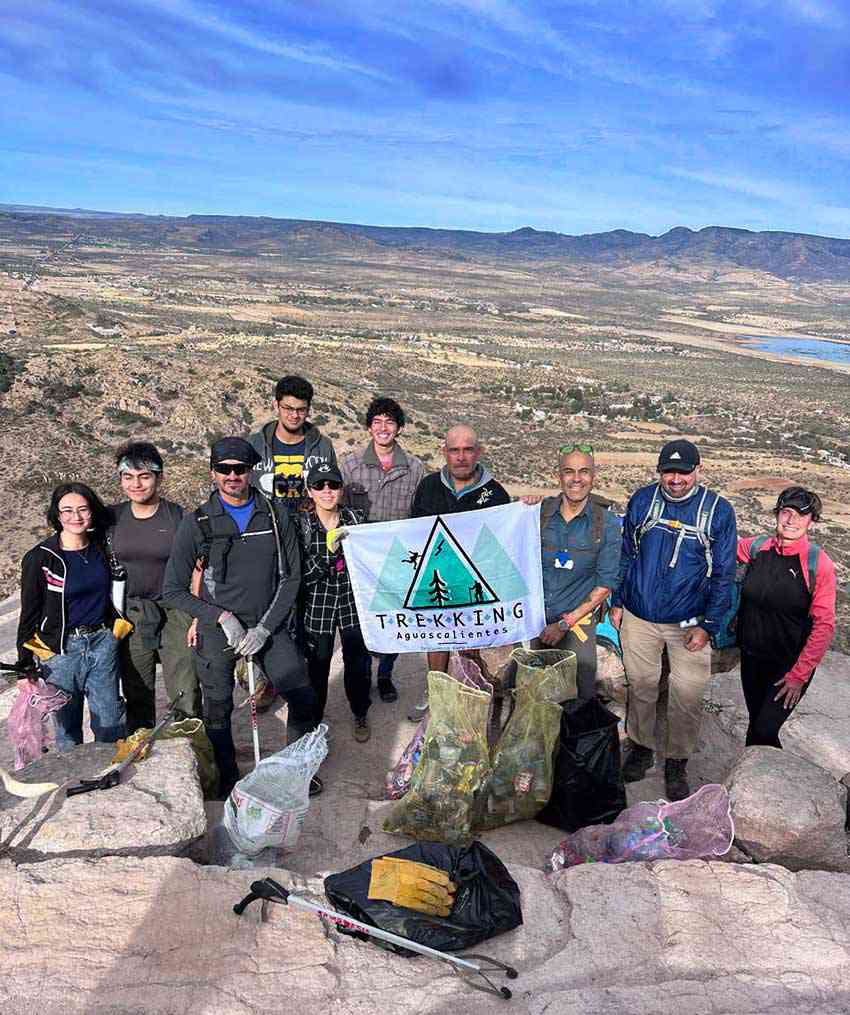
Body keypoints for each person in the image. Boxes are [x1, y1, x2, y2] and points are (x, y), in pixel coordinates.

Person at [162, 437, 318, 798]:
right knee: (217, 708)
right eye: (224, 469)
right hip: (219, 629)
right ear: (212, 472)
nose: (232, 476)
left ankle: (295, 772)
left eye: (240, 469)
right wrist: (220, 617)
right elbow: (172, 589)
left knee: (302, 695)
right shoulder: (196, 523)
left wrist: (264, 628)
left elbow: (291, 577)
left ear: (251, 471)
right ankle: (228, 779)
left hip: (268, 623)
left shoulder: (275, 515)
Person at [610, 439, 736, 801]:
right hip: (640, 614)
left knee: (687, 695)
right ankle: (641, 748)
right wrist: (618, 601)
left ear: (698, 470)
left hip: (689, 622)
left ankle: (677, 762)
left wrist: (709, 625)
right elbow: (626, 554)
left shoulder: (717, 511)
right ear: (659, 471)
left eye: (683, 472)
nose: (676, 479)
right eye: (669, 472)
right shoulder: (643, 501)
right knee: (642, 686)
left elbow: (724, 574)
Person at [16, 483, 126, 749]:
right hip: (61, 652)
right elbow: (29, 614)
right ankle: (73, 774)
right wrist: (24, 667)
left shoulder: (102, 548)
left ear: (92, 512)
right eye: (67, 510)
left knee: (110, 721)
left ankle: (110, 772)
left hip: (102, 643)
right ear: (57, 514)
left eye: (82, 509)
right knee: (67, 728)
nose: (75, 517)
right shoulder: (41, 558)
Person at [409, 424, 510, 714]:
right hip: (436, 577)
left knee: (471, 642)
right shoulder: (428, 486)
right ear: (445, 452)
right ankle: (436, 693)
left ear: (478, 452)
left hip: (474, 581)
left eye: (468, 450)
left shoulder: (495, 493)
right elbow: (414, 530)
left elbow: (503, 539)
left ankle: (469, 692)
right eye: (455, 450)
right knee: (436, 639)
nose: (461, 457)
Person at [108, 442, 201, 733]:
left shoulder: (178, 517)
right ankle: (142, 748)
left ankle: (189, 744)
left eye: (144, 476)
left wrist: (197, 617)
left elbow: (198, 567)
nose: (136, 484)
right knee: (137, 688)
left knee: (185, 685)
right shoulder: (111, 518)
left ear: (159, 478)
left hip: (175, 610)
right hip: (132, 613)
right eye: (128, 477)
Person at [736, 486, 836, 748]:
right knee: (756, 724)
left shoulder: (817, 564)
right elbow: (720, 552)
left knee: (764, 730)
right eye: (786, 512)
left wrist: (799, 675)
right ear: (777, 514)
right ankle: (754, 772)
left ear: (811, 521)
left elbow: (824, 625)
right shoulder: (756, 548)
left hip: (788, 666)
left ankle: (767, 773)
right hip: (751, 658)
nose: (792, 520)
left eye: (801, 515)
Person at [340, 396, 425, 702]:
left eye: (390, 421)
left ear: (399, 428)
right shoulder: (350, 465)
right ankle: (361, 678)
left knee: (394, 619)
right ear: (369, 427)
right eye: (377, 421)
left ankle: (385, 674)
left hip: (397, 559)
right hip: (360, 560)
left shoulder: (414, 468)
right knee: (361, 620)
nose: (383, 427)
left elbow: (419, 513)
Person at [536, 443, 621, 700]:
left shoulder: (606, 523)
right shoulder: (539, 514)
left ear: (593, 477)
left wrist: (564, 624)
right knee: (531, 695)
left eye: (583, 471)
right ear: (559, 476)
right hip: (535, 621)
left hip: (577, 623)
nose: (576, 479)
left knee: (579, 696)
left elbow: (605, 586)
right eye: (569, 471)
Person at [298, 462, 372, 742]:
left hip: (352, 602)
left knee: (358, 662)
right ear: (310, 491)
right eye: (320, 485)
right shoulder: (302, 526)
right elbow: (301, 576)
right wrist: (330, 554)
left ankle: (360, 711)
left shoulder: (357, 520)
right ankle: (314, 722)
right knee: (317, 666)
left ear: (341, 489)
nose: (327, 491)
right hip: (318, 605)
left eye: (333, 485)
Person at [247, 374, 337, 512]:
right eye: (288, 408)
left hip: (310, 522)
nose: (294, 415)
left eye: (301, 410)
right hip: (266, 521)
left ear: (308, 410)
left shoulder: (323, 446)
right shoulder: (254, 445)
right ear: (276, 406)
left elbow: (334, 488)